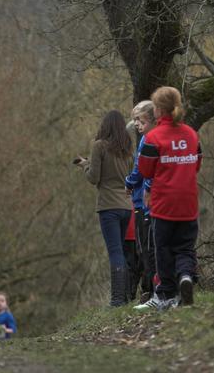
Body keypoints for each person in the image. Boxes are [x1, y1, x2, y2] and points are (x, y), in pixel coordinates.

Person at [135, 86, 202, 311]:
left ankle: (166, 294)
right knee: (185, 248)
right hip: (189, 203)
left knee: (162, 248)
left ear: (158, 109)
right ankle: (185, 276)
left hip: (164, 204)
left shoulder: (153, 138)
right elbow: (197, 164)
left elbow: (145, 170)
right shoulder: (191, 134)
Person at [75, 110, 134, 306]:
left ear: (105, 126)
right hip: (126, 206)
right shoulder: (127, 149)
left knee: (115, 252)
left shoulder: (99, 146)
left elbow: (94, 178)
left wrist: (85, 166)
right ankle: (125, 297)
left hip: (108, 206)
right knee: (122, 251)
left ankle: (117, 300)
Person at [125, 100, 158, 303]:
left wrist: (129, 182)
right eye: (135, 120)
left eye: (139, 119)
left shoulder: (148, 140)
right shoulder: (146, 138)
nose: (136, 124)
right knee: (147, 247)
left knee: (146, 248)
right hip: (144, 200)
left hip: (144, 202)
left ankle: (152, 291)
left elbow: (140, 170)